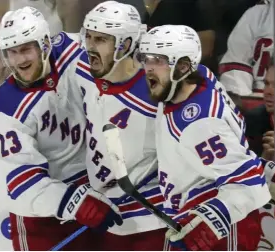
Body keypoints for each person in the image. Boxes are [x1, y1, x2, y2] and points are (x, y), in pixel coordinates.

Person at [138, 25, 275, 251]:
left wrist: (210, 222)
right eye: (146, 59)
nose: (148, 69)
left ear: (182, 67)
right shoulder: (202, 80)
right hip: (189, 213)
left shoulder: (199, 123)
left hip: (220, 231)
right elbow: (221, 149)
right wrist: (260, 167)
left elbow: (245, 184)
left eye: (158, 61)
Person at [0, 6, 122, 251]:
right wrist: (75, 202)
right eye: (12, 52)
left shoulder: (74, 52)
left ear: (45, 44)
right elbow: (23, 180)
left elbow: (115, 78)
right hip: (43, 217)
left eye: (26, 49)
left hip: (98, 194)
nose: (19, 61)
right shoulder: (6, 106)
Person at [69, 1, 167, 250]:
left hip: (149, 223)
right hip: (103, 217)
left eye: (100, 40)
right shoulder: (83, 68)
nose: (90, 46)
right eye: (88, 37)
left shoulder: (157, 95)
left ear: (124, 45)